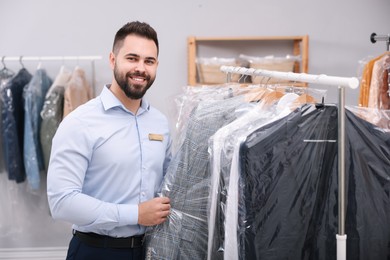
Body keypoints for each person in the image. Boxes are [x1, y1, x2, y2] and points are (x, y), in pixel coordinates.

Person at [47, 21, 172, 260]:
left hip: (152, 250)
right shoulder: (80, 122)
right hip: (96, 251)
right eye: (132, 58)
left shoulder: (160, 123)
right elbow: (61, 201)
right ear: (113, 60)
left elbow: (167, 186)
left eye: (149, 61)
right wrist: (135, 214)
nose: (141, 69)